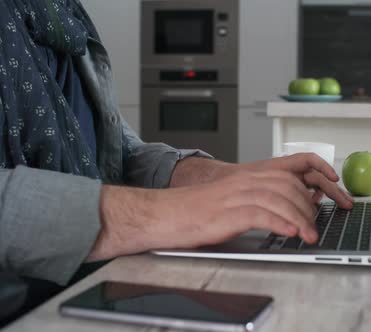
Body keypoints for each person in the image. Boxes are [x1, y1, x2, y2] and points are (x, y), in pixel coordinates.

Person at [0, 0, 352, 301]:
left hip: (89, 285)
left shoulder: (61, 12)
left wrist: (225, 178)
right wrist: (162, 213)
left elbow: (116, 152)